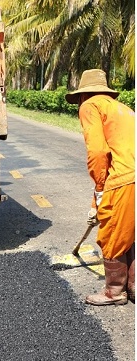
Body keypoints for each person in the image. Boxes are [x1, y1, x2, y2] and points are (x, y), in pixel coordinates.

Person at [65, 69, 135, 306]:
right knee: (130, 233)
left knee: (113, 233)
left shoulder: (90, 107)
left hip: (124, 177)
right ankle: (133, 286)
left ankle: (114, 292)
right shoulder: (123, 108)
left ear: (83, 94)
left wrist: (100, 189)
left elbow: (97, 151)